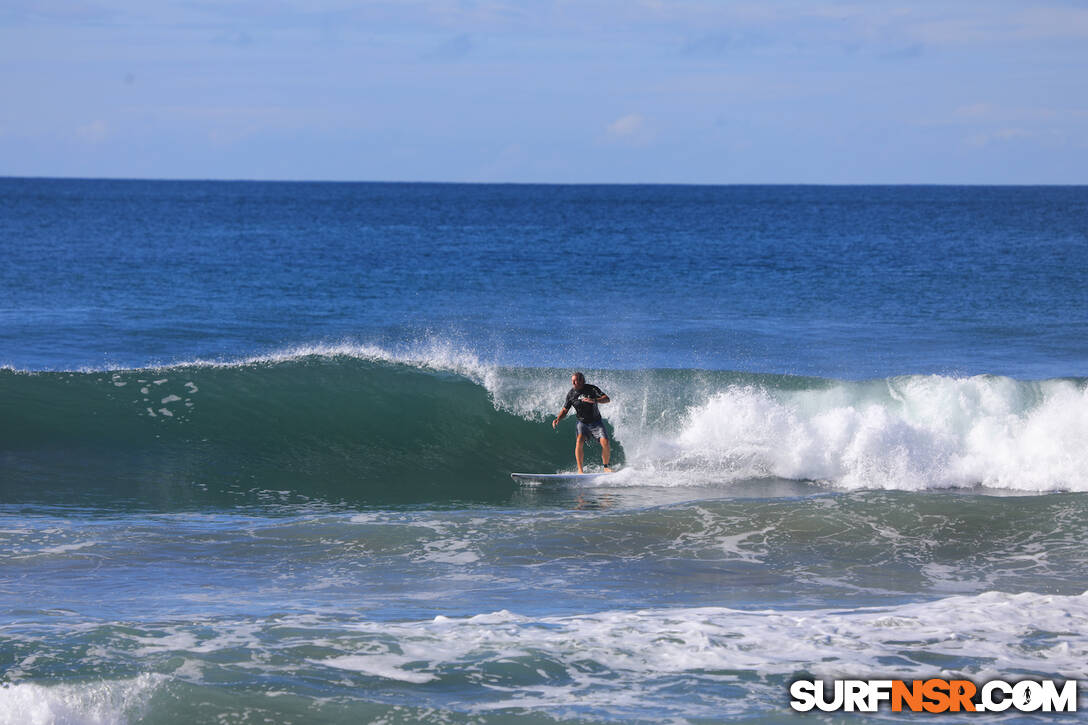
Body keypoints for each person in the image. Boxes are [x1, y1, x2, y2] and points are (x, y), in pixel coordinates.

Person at [552, 372, 612, 473]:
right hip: (582, 423)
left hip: (596, 422)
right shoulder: (571, 394)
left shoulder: (592, 389)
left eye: (576, 381)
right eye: (572, 381)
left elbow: (607, 399)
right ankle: (580, 470)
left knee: (605, 442)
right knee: (579, 441)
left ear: (582, 381)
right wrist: (558, 418)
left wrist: (594, 400)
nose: (574, 383)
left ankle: (606, 467)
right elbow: (565, 410)